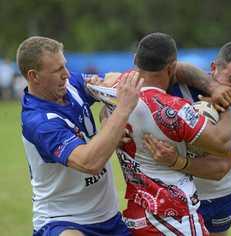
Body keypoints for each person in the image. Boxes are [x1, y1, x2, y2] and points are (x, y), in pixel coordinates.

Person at [100, 32, 231, 235]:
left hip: (136, 212)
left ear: (136, 60)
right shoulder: (173, 110)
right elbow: (223, 143)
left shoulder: (114, 91)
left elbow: (103, 99)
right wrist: (224, 104)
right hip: (173, 217)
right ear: (171, 67)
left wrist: (106, 124)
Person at [17, 36, 143, 236]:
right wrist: (121, 111)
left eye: (64, 66)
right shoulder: (39, 122)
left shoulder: (69, 86)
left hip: (109, 219)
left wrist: (105, 89)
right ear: (34, 76)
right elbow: (90, 163)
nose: (66, 74)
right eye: (57, 71)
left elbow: (111, 79)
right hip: (63, 221)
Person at [144, 41, 231, 236]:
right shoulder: (183, 84)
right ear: (214, 68)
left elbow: (220, 168)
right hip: (174, 189)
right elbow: (174, 68)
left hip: (218, 193)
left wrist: (176, 161)